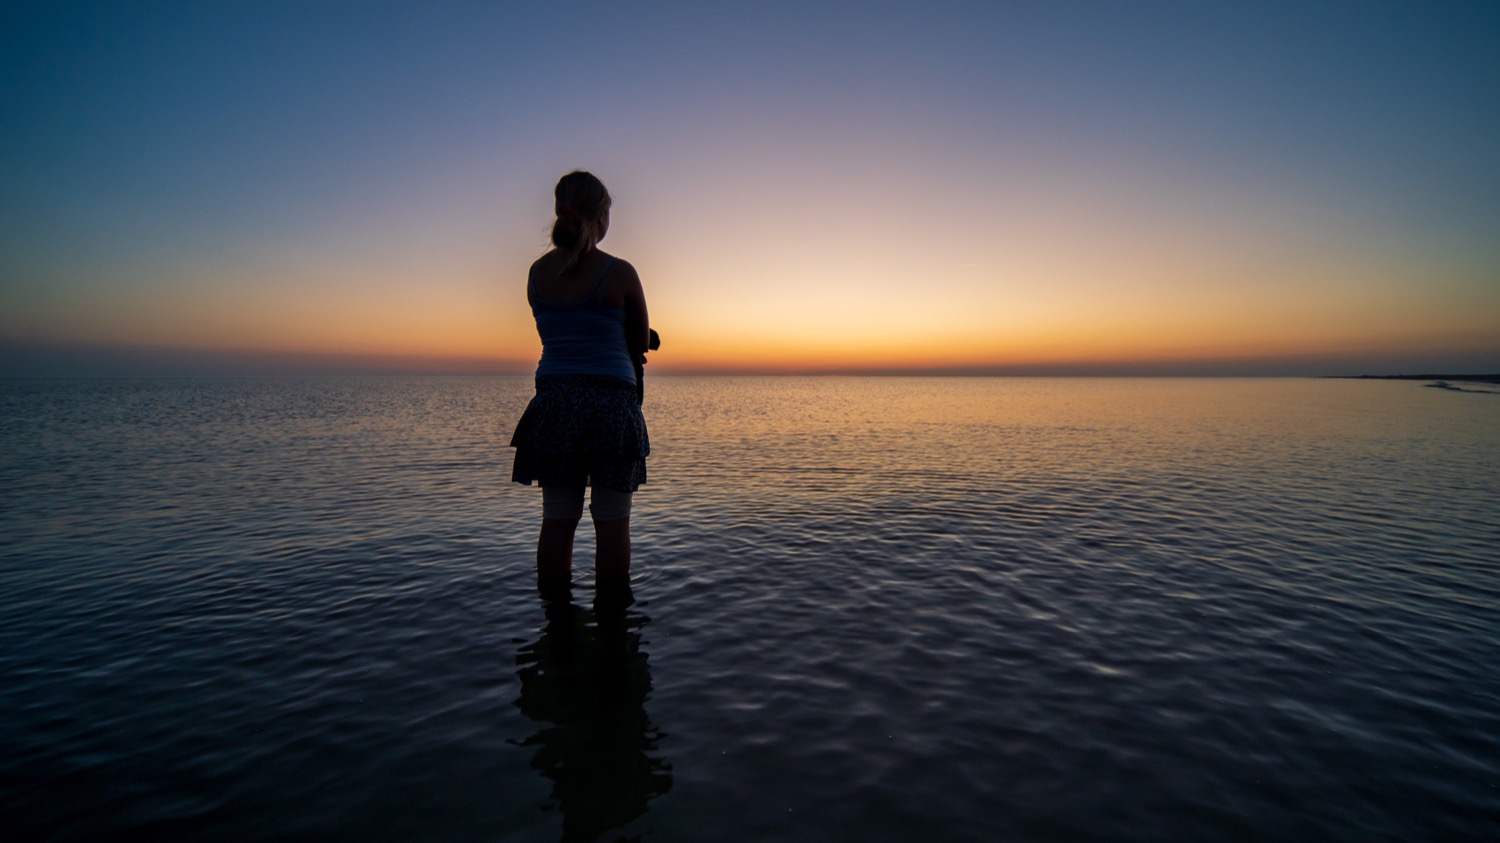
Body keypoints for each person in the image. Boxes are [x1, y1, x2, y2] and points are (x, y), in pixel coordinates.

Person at [510, 171, 651, 591]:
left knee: (557, 518)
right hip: (611, 406)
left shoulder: (537, 274)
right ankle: (613, 628)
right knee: (611, 522)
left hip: (556, 404)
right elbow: (640, 340)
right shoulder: (620, 272)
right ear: (601, 216)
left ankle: (556, 626)